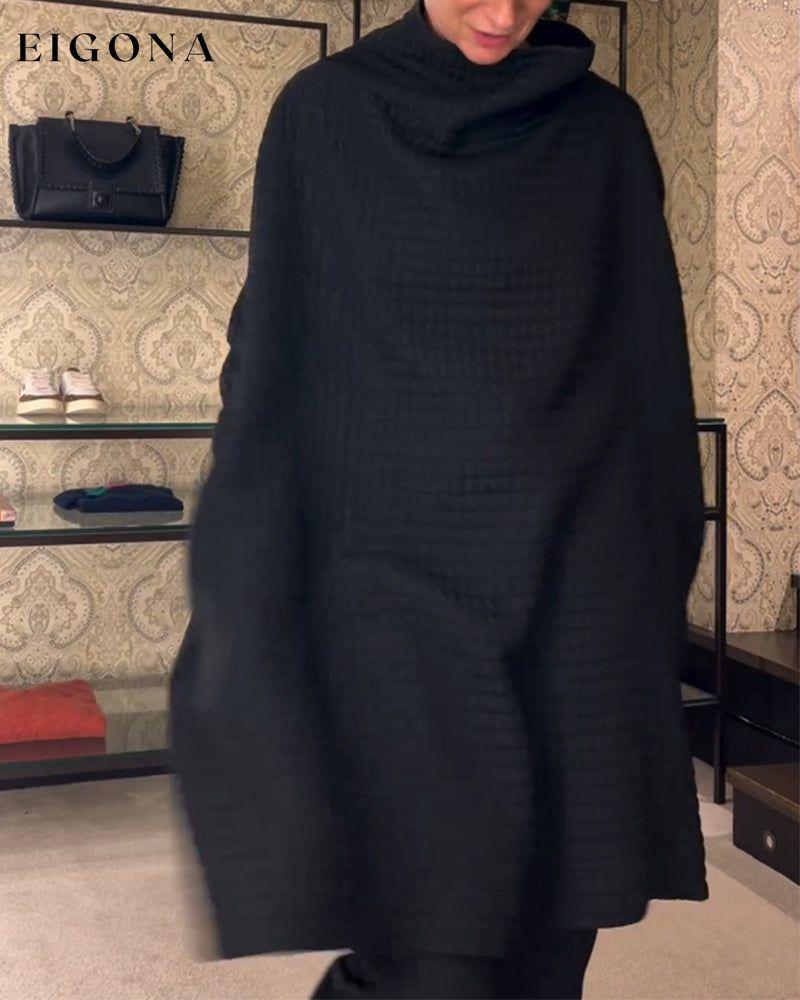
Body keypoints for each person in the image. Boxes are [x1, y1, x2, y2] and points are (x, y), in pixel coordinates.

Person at [168, 0, 709, 997]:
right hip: (393, 586)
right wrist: (254, 575)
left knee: (551, 938)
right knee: (431, 949)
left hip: (576, 588)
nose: (502, 12)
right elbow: (276, 353)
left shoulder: (605, 131)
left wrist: (650, 580)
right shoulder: (326, 113)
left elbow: (646, 371)